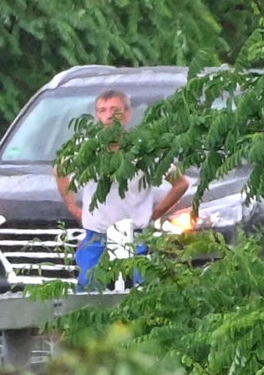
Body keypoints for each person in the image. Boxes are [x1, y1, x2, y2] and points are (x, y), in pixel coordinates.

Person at [56, 89, 193, 292]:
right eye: (102, 110)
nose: (108, 115)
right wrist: (72, 205)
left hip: (134, 235)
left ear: (127, 114)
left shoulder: (143, 148)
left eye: (115, 110)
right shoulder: (84, 147)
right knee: (88, 291)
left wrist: (156, 213)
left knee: (137, 291)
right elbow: (60, 169)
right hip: (96, 236)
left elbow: (180, 182)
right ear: (96, 116)